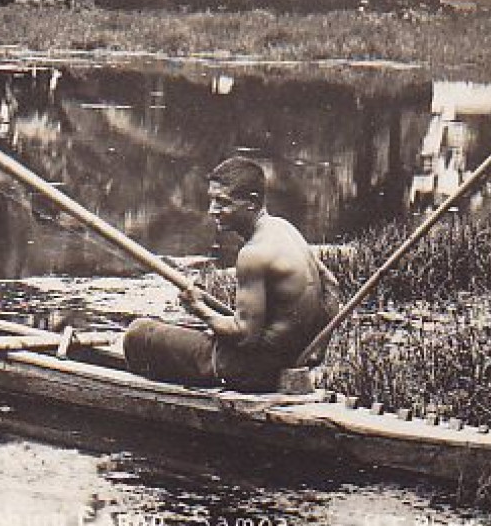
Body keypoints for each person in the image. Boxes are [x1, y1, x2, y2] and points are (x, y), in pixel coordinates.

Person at [123, 156, 340, 391]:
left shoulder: (253, 253)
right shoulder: (285, 228)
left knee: (138, 332)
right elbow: (331, 284)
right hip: (288, 360)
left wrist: (199, 309)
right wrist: (316, 352)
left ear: (252, 202)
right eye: (212, 200)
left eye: (221, 202)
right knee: (177, 336)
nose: (212, 210)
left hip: (253, 370)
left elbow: (245, 336)